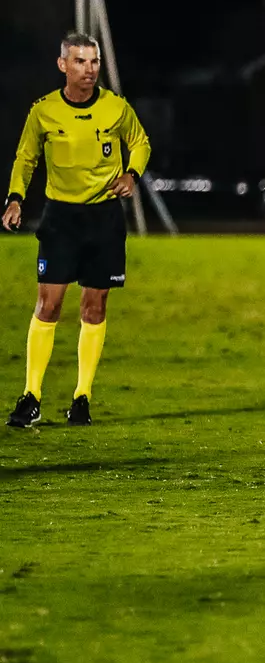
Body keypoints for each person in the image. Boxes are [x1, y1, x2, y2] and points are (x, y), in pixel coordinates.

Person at [4, 33, 151, 428]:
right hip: (61, 220)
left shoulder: (116, 109)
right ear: (63, 65)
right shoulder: (44, 111)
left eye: (94, 62)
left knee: (95, 305)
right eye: (81, 62)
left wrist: (132, 174)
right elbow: (25, 157)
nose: (89, 70)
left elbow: (140, 143)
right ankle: (31, 395)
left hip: (103, 219)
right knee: (48, 304)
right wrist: (15, 198)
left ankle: (81, 396)